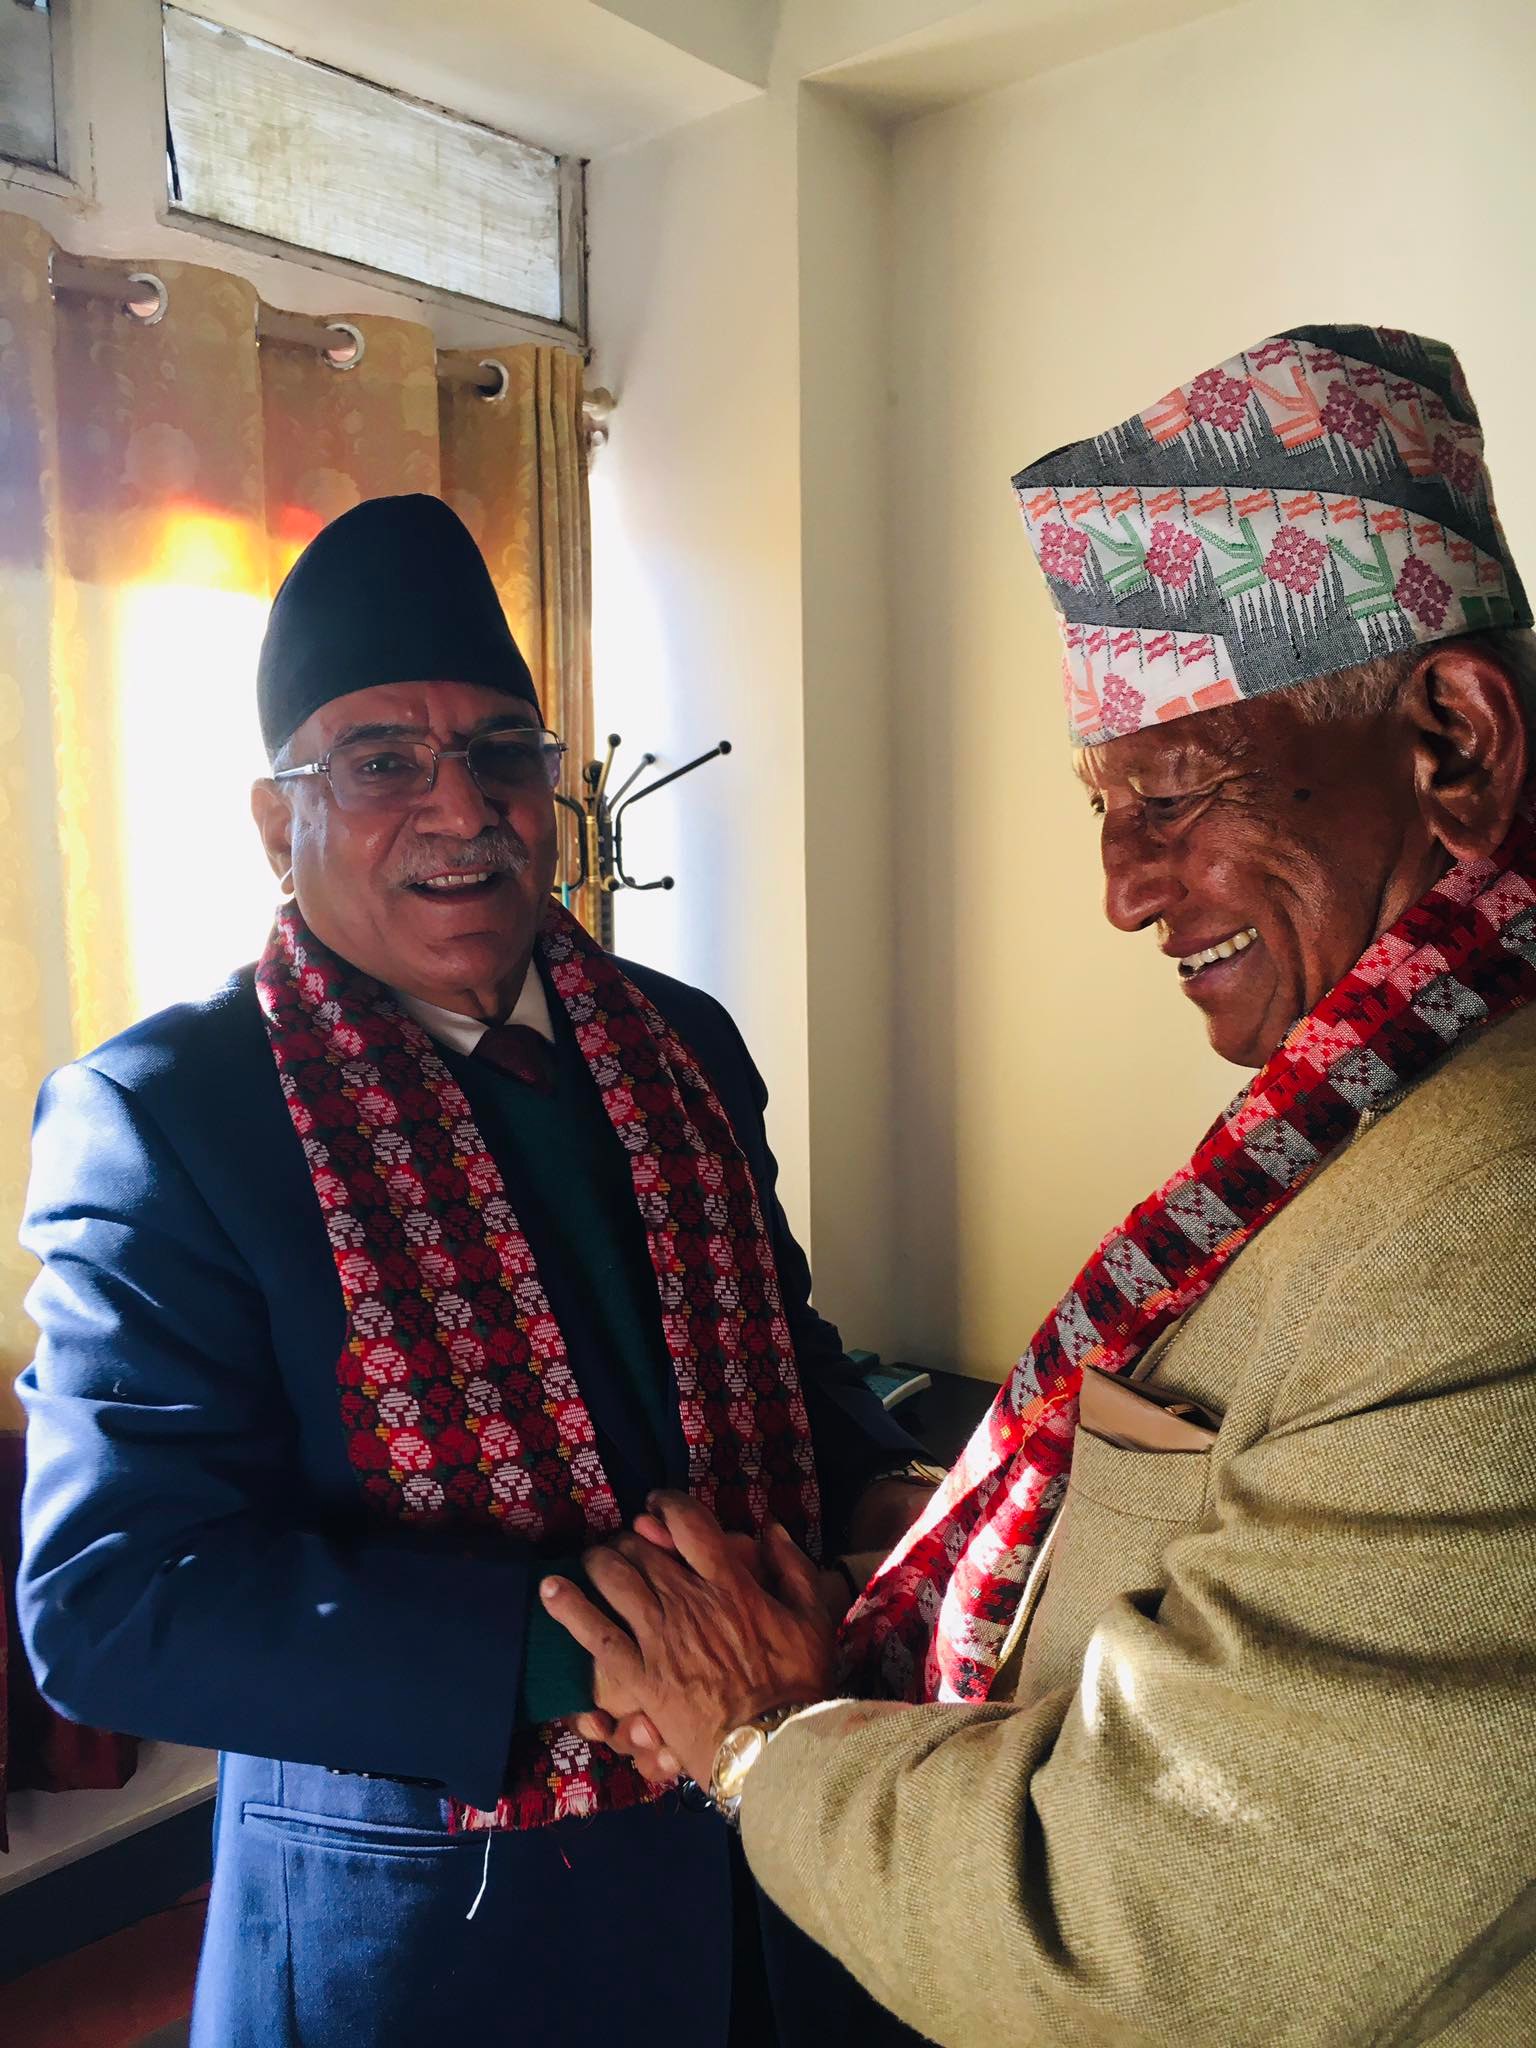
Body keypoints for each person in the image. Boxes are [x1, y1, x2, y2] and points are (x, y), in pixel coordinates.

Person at [542, 326, 1536, 2048]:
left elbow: (1167, 1936)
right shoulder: (1398, 1101)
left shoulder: (1483, 1211)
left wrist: (759, 1738)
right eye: (1105, 806)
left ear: (1452, 739)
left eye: (1172, 792)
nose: (1122, 891)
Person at [15, 494, 938, 2047]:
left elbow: (782, 1348)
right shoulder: (169, 1112)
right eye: (383, 760)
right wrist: (589, 1651)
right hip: (445, 1936)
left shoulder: (680, 1040)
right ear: (276, 822)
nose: (463, 805)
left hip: (790, 1857)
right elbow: (113, 1599)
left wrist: (888, 1496)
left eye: (504, 751)